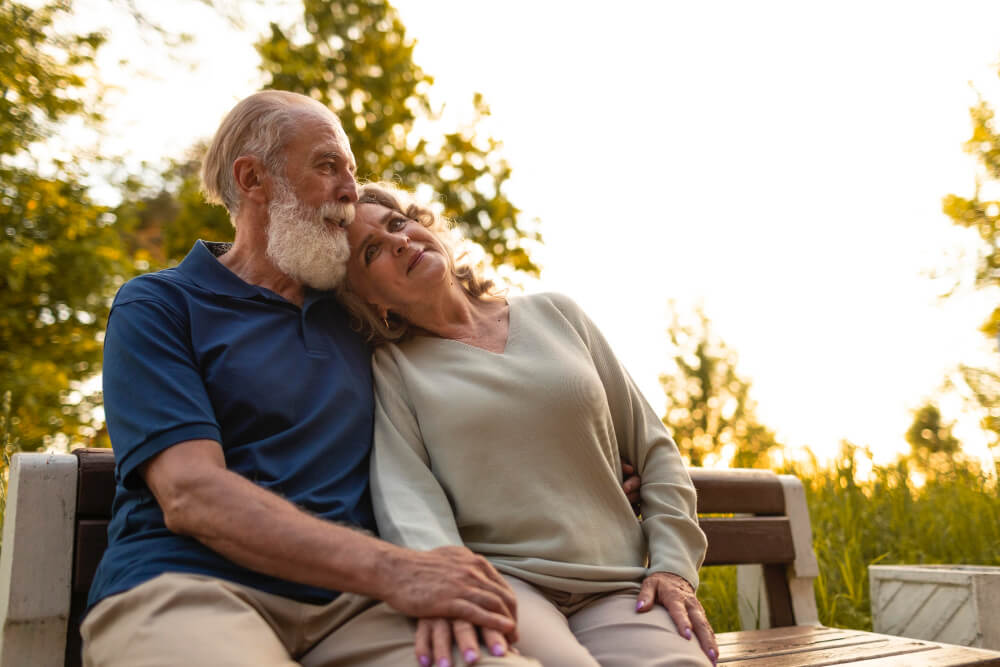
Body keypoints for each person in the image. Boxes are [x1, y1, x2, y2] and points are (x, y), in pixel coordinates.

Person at [82, 90, 539, 667]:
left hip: (358, 608)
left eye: (350, 170)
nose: (350, 190)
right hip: (189, 586)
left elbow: (474, 392)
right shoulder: (159, 305)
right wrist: (396, 570)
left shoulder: (362, 312)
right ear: (253, 178)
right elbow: (191, 494)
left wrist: (576, 460)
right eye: (328, 166)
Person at [336, 182, 720, 667]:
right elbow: (408, 497)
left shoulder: (557, 313)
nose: (397, 241)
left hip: (619, 583)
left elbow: (654, 449)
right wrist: (448, 585)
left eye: (397, 224)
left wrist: (674, 568)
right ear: (368, 299)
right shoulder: (394, 368)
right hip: (505, 582)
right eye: (373, 251)